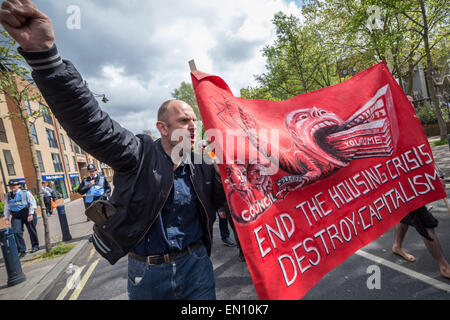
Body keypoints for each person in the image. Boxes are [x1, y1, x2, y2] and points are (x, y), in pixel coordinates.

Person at [0, 0, 226, 300]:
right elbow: (92, 123)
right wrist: (46, 57)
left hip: (197, 267)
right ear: (162, 128)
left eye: (195, 119)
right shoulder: (138, 154)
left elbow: (232, 202)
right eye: (184, 120)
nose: (193, 125)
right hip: (149, 275)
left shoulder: (202, 166)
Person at [391, 169, 450, 279]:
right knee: (425, 224)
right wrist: (432, 181)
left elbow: (420, 162)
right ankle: (444, 267)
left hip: (404, 188)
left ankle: (397, 246)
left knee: (405, 215)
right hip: (404, 188)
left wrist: (434, 176)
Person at [3, 180, 39, 257]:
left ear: (19, 185)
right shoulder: (8, 195)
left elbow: (33, 203)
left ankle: (35, 246)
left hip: (27, 213)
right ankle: (22, 250)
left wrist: (31, 214)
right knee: (16, 232)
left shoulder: (26, 193)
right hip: (16, 215)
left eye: (14, 186)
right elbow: (7, 207)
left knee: (31, 230)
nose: (12, 187)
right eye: (11, 186)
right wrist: (6, 218)